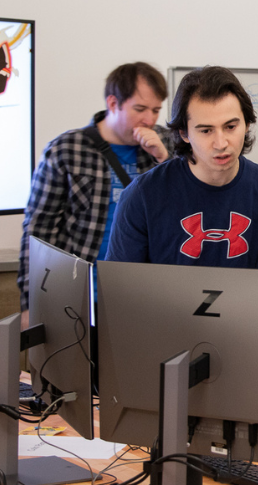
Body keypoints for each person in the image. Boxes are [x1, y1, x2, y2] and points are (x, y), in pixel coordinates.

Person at [18, 61, 172, 316]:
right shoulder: (67, 149)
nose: (150, 119)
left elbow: (189, 209)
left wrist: (164, 158)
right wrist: (29, 303)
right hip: (79, 292)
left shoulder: (167, 143)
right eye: (140, 109)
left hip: (146, 294)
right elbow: (38, 230)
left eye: (156, 110)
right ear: (113, 104)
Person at [106, 66, 258, 269]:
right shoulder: (141, 195)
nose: (221, 143)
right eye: (206, 130)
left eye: (230, 127)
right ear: (184, 133)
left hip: (244, 302)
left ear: (246, 124)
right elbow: (121, 291)